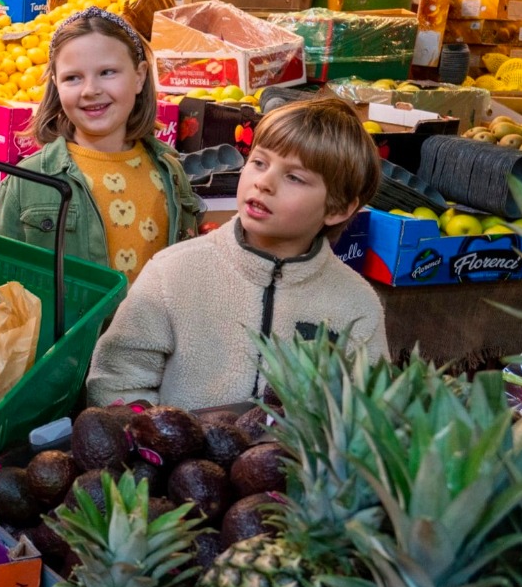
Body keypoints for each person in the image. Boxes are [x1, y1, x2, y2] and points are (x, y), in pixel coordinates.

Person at [85, 96, 386, 409]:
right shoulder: (172, 273)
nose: (264, 183)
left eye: (294, 177)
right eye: (259, 163)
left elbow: (370, 410)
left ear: (338, 208)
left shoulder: (356, 305)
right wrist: (152, 429)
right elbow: (117, 381)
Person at [0, 8, 201, 284]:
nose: (90, 90)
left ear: (139, 76)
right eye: (72, 78)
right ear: (56, 84)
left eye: (107, 72)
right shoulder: (27, 182)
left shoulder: (170, 173)